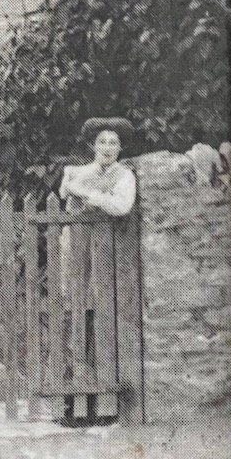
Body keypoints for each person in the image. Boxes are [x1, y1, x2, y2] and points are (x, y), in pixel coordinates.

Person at [59, 117, 136, 426]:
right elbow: (64, 195)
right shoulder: (76, 172)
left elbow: (122, 206)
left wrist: (87, 194)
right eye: (102, 142)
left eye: (113, 143)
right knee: (76, 321)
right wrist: (74, 184)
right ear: (92, 145)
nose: (107, 148)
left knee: (105, 321)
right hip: (76, 256)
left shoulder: (125, 175)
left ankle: (106, 405)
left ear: (120, 148)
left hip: (107, 259)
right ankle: (74, 405)